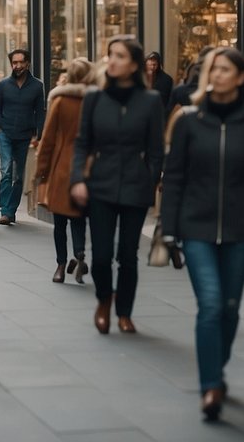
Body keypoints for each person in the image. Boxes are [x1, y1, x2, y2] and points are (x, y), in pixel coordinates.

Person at [160, 47, 244, 419]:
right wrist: (169, 230)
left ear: (240, 77)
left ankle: (218, 362)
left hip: (239, 228)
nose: (217, 74)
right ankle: (211, 386)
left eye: (225, 69)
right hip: (196, 226)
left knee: (230, 309)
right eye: (213, 69)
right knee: (212, 304)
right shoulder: (188, 121)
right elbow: (173, 179)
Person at [70, 36, 165, 335]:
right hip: (101, 183)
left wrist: (150, 181)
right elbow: (82, 144)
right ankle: (103, 300)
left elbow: (156, 150)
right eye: (110, 55)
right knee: (100, 256)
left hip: (135, 186)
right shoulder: (95, 98)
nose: (111, 60)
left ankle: (124, 311)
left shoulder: (150, 101)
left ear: (134, 64)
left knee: (127, 254)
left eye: (120, 56)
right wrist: (78, 180)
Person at [35, 57, 96, 284]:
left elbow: (48, 138)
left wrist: (41, 169)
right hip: (87, 167)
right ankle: (79, 253)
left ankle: (60, 265)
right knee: (78, 217)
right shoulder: (96, 101)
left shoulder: (60, 101)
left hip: (61, 166)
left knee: (59, 222)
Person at [0, 48, 46, 225]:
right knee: (6, 169)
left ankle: (12, 209)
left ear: (27, 63)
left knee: (19, 175)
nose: (18, 65)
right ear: (11, 64)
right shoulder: (3, 85)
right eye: (15, 62)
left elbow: (40, 112)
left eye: (21, 62)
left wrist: (39, 134)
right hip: (5, 133)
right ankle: (5, 211)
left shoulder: (37, 86)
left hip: (25, 135)